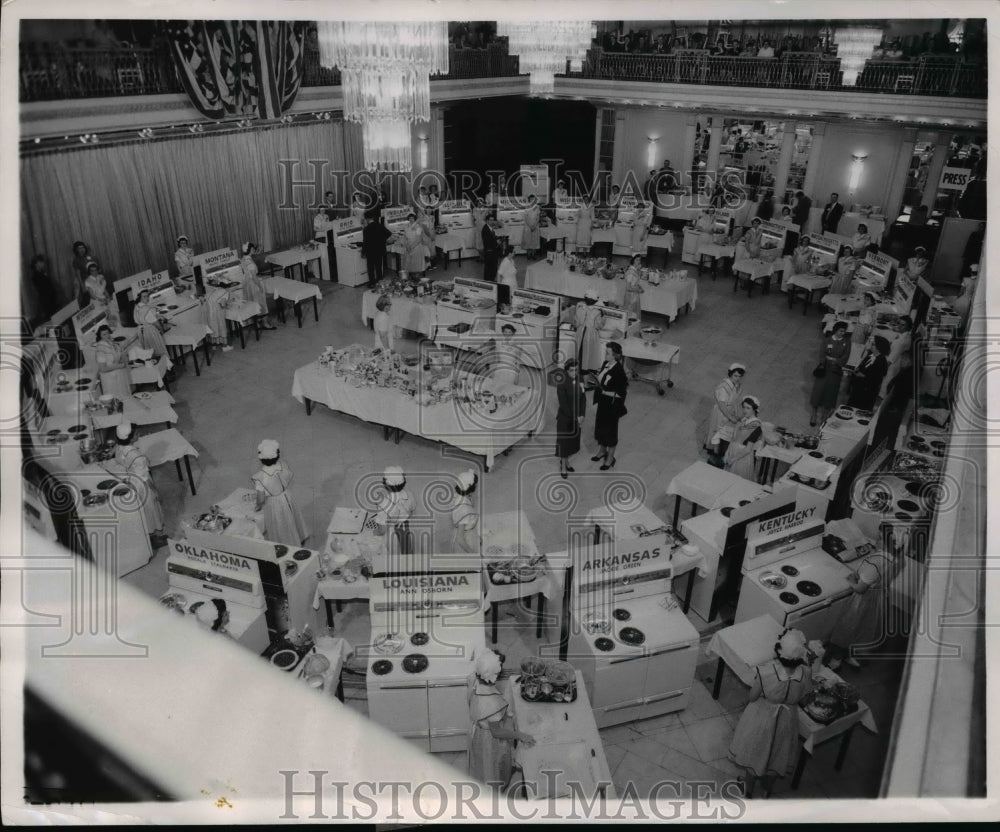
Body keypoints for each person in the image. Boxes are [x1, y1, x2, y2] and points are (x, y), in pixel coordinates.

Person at [728, 629, 814, 798]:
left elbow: (752, 697)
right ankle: (767, 789)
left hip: (763, 718)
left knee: (755, 751)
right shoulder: (806, 672)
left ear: (779, 652)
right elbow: (806, 696)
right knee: (778, 753)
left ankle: (748, 790)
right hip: (787, 719)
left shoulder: (766, 672)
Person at [467, 648, 534, 789]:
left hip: (478, 732)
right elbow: (496, 732)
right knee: (493, 766)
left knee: (481, 763)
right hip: (490, 740)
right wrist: (520, 735)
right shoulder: (491, 704)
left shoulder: (473, 678)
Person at [826, 549, 898, 670]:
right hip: (879, 597)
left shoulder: (875, 562)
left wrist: (851, 581)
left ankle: (836, 659)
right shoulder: (895, 558)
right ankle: (849, 655)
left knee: (846, 628)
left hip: (863, 599)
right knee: (862, 629)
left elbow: (860, 589)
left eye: (880, 536)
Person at [252, 439, 310, 546]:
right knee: (292, 517)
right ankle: (299, 538)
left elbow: (261, 498)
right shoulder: (283, 465)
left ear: (261, 459)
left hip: (274, 503)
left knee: (280, 524)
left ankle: (287, 544)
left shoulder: (260, 476)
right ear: (277, 456)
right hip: (287, 496)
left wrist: (258, 505)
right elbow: (288, 476)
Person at [114, 421, 165, 538]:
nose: (139, 434)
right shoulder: (138, 457)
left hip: (129, 481)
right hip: (142, 484)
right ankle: (157, 534)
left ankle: (146, 533)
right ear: (130, 439)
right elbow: (145, 478)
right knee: (151, 507)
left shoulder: (119, 448)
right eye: (136, 434)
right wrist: (156, 491)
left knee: (141, 509)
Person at [590, 342, 628, 470]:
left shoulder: (619, 372)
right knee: (601, 427)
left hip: (612, 406)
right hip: (603, 403)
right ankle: (602, 451)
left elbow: (622, 393)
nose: (605, 354)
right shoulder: (605, 364)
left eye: (607, 353)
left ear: (615, 356)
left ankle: (610, 458)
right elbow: (603, 379)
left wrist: (605, 392)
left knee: (611, 431)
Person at [810, 321, 850, 426]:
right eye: (841, 331)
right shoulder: (827, 340)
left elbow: (845, 359)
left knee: (830, 394)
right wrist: (832, 359)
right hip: (824, 370)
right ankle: (814, 414)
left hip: (835, 372)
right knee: (818, 392)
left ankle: (824, 415)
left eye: (844, 331)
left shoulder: (846, 343)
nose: (842, 333)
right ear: (836, 330)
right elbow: (822, 355)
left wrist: (833, 360)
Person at [555, 358, 587, 479]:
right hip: (565, 418)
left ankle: (566, 461)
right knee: (564, 443)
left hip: (577, 417)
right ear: (566, 371)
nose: (574, 373)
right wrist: (575, 418)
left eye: (576, 370)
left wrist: (582, 414)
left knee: (571, 442)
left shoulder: (581, 379)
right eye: (572, 370)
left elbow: (583, 399)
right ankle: (563, 466)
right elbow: (563, 404)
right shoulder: (562, 382)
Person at [374, 466, 415, 556]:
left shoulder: (383, 505)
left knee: (393, 553)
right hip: (406, 528)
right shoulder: (409, 494)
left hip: (392, 535)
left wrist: (375, 532)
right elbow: (412, 509)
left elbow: (382, 530)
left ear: (386, 485)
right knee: (407, 552)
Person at [706, 363, 745, 455]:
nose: (737, 378)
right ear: (730, 374)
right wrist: (731, 417)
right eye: (735, 375)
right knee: (717, 430)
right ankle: (713, 450)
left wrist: (735, 413)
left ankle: (719, 449)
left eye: (740, 376)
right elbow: (722, 405)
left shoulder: (735, 385)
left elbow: (734, 401)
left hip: (729, 410)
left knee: (724, 432)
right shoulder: (723, 388)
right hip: (720, 411)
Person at [724, 397, 763, 479]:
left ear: (754, 410)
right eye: (744, 407)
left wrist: (733, 459)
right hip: (732, 451)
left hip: (742, 457)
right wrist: (727, 452)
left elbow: (748, 449)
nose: (745, 410)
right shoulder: (743, 420)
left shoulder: (756, 425)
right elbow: (733, 438)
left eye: (748, 408)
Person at [848, 335, 890, 410]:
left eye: (873, 344)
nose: (871, 346)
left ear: (879, 347)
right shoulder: (870, 356)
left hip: (868, 391)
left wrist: (863, 376)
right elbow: (861, 366)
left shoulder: (882, 361)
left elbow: (877, 378)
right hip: (859, 387)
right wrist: (856, 371)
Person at [240, 243, 276, 330]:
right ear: (249, 250)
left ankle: (257, 323)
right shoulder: (250, 263)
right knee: (260, 303)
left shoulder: (243, 259)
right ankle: (265, 323)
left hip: (247, 284)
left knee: (252, 303)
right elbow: (254, 277)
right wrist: (259, 286)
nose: (253, 249)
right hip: (254, 284)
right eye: (252, 248)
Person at [94, 324, 132, 400]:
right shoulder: (100, 347)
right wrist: (121, 365)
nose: (107, 335)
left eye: (108, 333)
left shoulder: (112, 343)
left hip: (120, 376)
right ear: (100, 336)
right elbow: (103, 368)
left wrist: (124, 357)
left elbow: (119, 355)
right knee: (114, 401)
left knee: (125, 399)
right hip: (110, 380)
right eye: (104, 334)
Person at [132, 289, 171, 360]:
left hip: (140, 331)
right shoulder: (147, 309)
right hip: (149, 331)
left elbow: (141, 318)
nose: (147, 298)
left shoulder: (137, 306)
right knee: (158, 349)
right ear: (140, 298)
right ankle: (165, 366)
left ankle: (155, 368)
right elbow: (157, 324)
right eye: (144, 296)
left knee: (148, 352)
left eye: (147, 296)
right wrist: (162, 332)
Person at [450, 469, 481, 554]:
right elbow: (460, 539)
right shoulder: (465, 510)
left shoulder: (459, 495)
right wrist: (472, 553)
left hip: (464, 527)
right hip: (465, 537)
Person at [574, 289, 605, 372]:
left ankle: (579, 370)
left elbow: (576, 323)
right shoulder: (598, 311)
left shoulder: (580, 308)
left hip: (580, 332)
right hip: (591, 334)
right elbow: (599, 326)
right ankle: (586, 370)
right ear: (595, 301)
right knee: (589, 354)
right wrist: (603, 316)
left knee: (579, 352)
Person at [362, 216, 392, 287]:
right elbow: (389, 233)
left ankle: (372, 283)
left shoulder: (366, 229)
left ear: (367, 219)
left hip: (370, 251)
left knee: (371, 268)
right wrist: (382, 240)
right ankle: (380, 282)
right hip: (379, 250)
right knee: (379, 267)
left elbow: (365, 242)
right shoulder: (380, 226)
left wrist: (363, 252)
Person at [204, 282, 233, 351]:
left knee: (213, 328)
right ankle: (225, 347)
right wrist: (227, 305)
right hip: (217, 314)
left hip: (209, 313)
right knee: (222, 327)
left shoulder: (215, 290)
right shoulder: (224, 292)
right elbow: (222, 304)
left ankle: (214, 346)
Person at [401, 212, 431, 278]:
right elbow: (404, 237)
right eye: (410, 218)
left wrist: (412, 247)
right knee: (408, 262)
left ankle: (416, 276)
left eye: (412, 218)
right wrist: (406, 245)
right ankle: (410, 276)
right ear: (408, 219)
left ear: (415, 219)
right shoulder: (406, 226)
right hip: (408, 246)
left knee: (416, 263)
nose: (411, 219)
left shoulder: (418, 227)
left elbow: (419, 239)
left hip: (416, 246)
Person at [622, 254, 645, 322]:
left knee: (634, 314)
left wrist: (640, 287)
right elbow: (628, 288)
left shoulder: (634, 270)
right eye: (637, 260)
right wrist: (638, 290)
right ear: (633, 260)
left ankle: (633, 328)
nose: (639, 261)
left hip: (634, 295)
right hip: (631, 296)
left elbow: (635, 282)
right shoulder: (630, 273)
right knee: (630, 314)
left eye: (640, 260)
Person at [521, 194, 541, 259]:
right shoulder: (526, 207)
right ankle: (528, 254)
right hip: (528, 226)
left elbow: (538, 217)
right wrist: (530, 226)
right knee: (528, 240)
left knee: (534, 241)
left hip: (535, 226)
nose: (532, 200)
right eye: (531, 199)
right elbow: (526, 218)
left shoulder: (537, 207)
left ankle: (533, 254)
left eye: (533, 199)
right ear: (529, 200)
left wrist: (534, 225)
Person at [419, 206, 438, 272]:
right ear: (425, 210)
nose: (429, 210)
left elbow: (433, 226)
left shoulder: (432, 217)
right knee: (427, 251)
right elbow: (425, 229)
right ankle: (427, 266)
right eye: (427, 209)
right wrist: (430, 236)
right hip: (426, 236)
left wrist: (434, 234)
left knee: (432, 251)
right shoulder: (424, 218)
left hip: (432, 235)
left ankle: (432, 265)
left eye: (430, 209)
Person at [472, 197, 489, 261]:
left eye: (481, 202)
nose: (479, 204)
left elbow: (487, 218)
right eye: (478, 202)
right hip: (477, 228)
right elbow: (474, 218)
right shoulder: (474, 209)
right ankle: (481, 257)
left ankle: (484, 257)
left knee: (483, 242)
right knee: (478, 243)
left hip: (484, 227)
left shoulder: (486, 209)